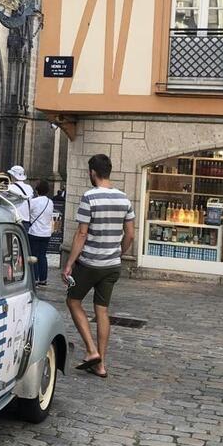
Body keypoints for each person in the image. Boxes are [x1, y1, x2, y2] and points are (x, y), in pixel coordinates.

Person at [62, 154, 135, 379]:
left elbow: (82, 233)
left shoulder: (89, 197)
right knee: (102, 310)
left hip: (90, 263)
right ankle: (100, 365)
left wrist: (69, 263)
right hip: (111, 265)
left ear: (93, 172)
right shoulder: (124, 199)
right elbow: (130, 234)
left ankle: (92, 350)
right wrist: (119, 252)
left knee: (73, 301)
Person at [6, 165, 34, 231]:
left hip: (14, 220)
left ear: (12, 176)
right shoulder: (29, 188)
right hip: (26, 221)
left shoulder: (10, 188)